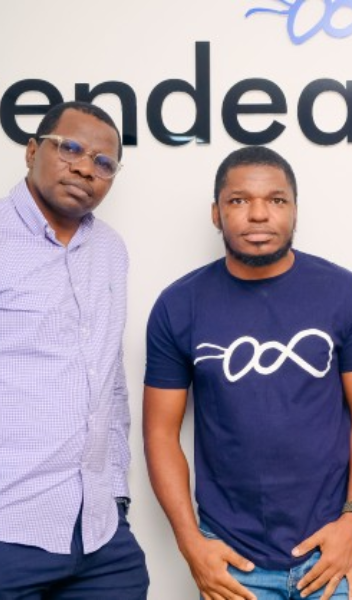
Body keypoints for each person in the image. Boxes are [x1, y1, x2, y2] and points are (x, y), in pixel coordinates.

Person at [143, 146, 352, 600]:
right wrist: (190, 542)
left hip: (331, 548)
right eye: (239, 200)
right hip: (231, 557)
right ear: (216, 213)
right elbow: (160, 432)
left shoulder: (343, 293)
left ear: (295, 211)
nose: (258, 214)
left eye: (276, 200)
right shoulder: (179, 305)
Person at [0, 101, 148, 598]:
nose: (86, 168)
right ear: (31, 151)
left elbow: (109, 378)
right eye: (71, 149)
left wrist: (117, 494)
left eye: (104, 163)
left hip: (99, 532)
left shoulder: (110, 250)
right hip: (9, 527)